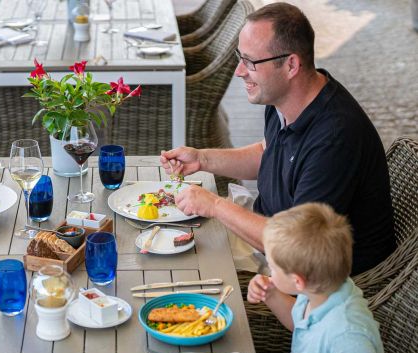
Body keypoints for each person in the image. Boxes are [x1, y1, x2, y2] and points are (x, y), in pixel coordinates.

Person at [160, 2, 395, 275]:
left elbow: (296, 247)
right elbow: (268, 152)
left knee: (180, 268)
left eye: (250, 62)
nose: (239, 71)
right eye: (240, 57)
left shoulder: (334, 138)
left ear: (291, 65)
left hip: (315, 282)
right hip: (268, 239)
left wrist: (214, 205)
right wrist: (202, 159)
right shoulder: (284, 100)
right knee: (168, 239)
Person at [247, 203, 386, 353]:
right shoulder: (320, 290)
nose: (269, 271)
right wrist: (272, 294)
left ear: (297, 281)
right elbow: (300, 324)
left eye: (273, 267)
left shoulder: (346, 330)